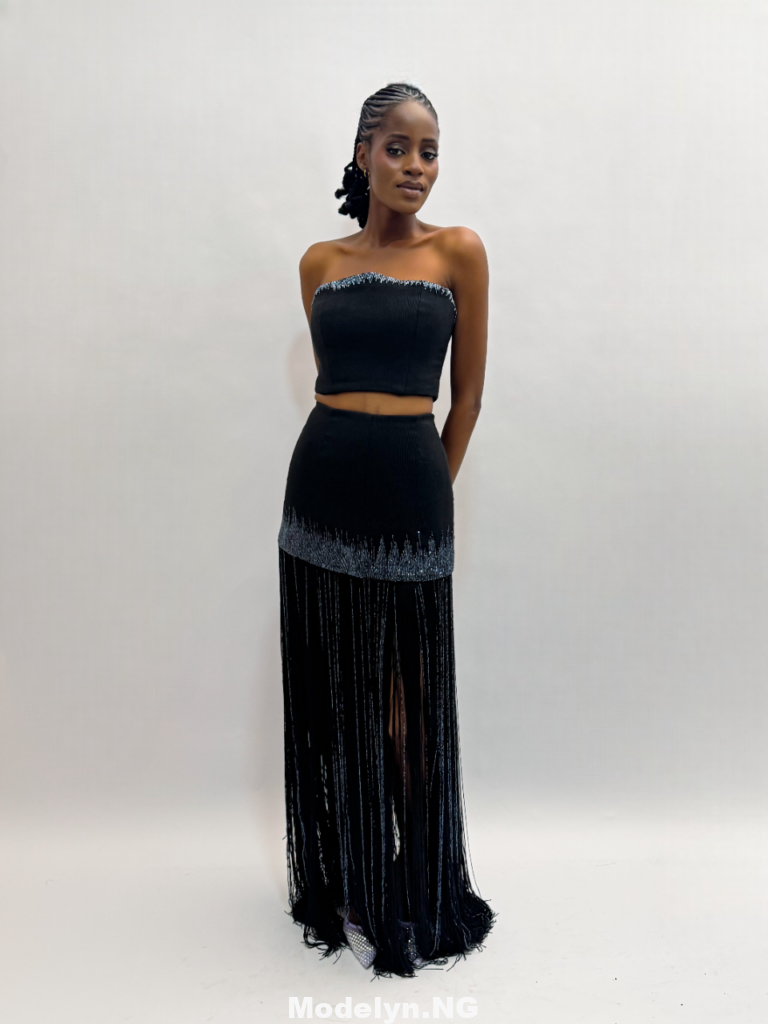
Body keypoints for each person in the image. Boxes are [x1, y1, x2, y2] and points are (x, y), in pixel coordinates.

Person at [277, 81, 495, 978]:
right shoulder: (318, 263)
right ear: (362, 153)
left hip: (411, 495)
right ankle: (356, 875)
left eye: (429, 150)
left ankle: (416, 877)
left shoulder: (460, 252)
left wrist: (427, 488)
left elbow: (466, 398)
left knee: (407, 710)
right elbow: (334, 381)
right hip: (320, 492)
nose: (414, 165)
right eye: (397, 147)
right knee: (337, 696)